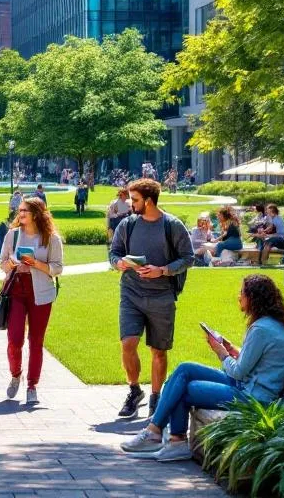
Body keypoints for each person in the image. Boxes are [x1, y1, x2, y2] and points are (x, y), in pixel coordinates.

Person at [121, 275, 284, 462]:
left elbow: (238, 372)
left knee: (183, 388)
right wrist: (232, 349)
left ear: (254, 297)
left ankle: (165, 437)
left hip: (252, 396)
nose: (239, 296)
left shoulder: (261, 329)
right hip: (249, 385)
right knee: (184, 369)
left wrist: (221, 352)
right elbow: (258, 361)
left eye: (242, 292)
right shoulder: (274, 324)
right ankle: (163, 436)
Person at [109, 178, 194, 418]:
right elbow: (114, 253)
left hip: (161, 296)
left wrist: (163, 270)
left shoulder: (172, 226)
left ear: (148, 201)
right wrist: (119, 263)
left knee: (159, 351)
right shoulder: (128, 225)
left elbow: (188, 258)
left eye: (134, 200)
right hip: (131, 292)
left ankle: (156, 397)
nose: (129, 204)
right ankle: (135, 391)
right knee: (128, 343)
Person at [0, 198, 64, 404]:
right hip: (17, 290)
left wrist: (35, 263)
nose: (21, 214)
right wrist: (11, 263)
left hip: (41, 292)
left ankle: (32, 385)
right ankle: (16, 374)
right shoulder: (13, 234)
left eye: (25, 210)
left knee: (36, 341)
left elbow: (58, 268)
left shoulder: (51, 238)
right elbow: (1, 262)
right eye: (19, 210)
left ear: (36, 213)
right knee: (14, 338)